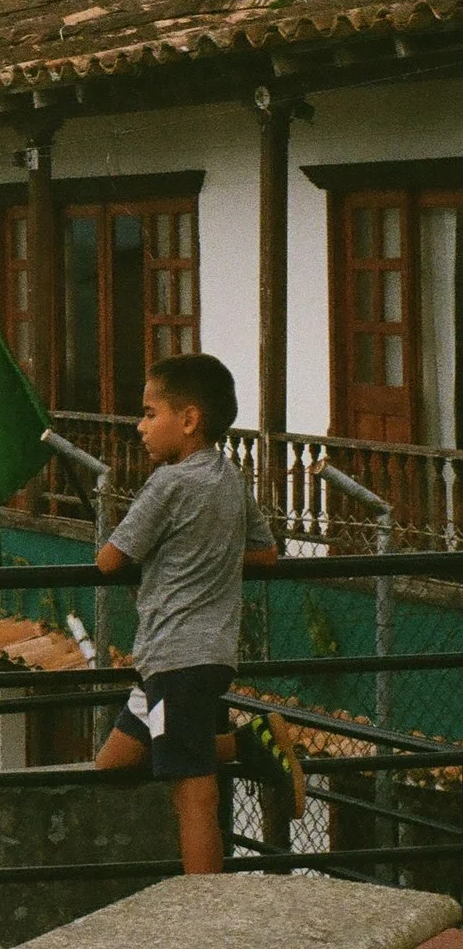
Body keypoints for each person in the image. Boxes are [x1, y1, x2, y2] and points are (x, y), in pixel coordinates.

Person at [93, 353, 305, 873]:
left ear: (188, 420)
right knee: (113, 765)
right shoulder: (229, 478)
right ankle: (249, 745)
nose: (140, 427)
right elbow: (265, 551)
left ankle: (203, 911)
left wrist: (174, 548)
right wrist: (204, 548)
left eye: (149, 413)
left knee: (192, 791)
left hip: (177, 657)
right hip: (188, 656)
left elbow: (110, 558)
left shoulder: (169, 483)